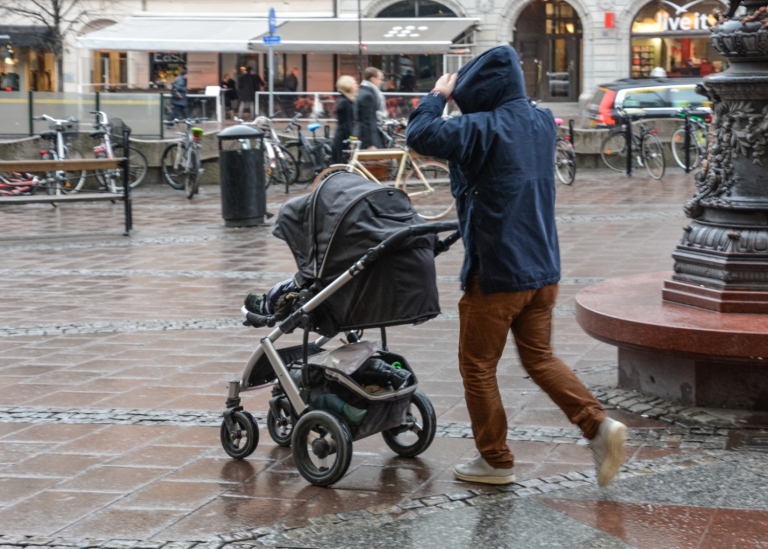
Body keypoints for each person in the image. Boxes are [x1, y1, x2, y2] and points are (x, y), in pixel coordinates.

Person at [405, 45, 627, 488]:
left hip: (498, 272)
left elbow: (420, 135)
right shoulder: (541, 122)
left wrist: (437, 95)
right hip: (543, 267)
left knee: (477, 367)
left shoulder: (482, 126)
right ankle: (598, 426)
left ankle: (495, 460)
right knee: (540, 356)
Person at [354, 66, 386, 149]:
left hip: (363, 137)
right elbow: (368, 120)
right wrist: (370, 144)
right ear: (372, 79)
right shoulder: (368, 95)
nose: (381, 82)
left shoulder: (363, 92)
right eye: (380, 79)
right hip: (368, 140)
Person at [331, 75, 358, 164]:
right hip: (343, 139)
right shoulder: (345, 102)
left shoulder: (344, 100)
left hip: (342, 137)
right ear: (348, 86)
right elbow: (347, 124)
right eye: (354, 84)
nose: (356, 86)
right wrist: (352, 139)